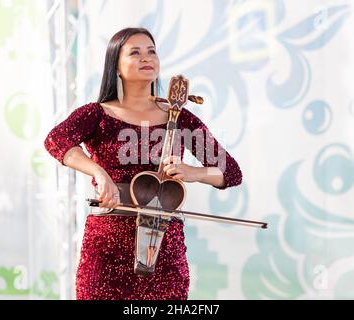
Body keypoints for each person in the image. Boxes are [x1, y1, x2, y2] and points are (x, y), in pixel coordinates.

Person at [44, 27, 243, 300]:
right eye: (135, 52)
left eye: (151, 51)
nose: (146, 58)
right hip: (106, 250)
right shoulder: (97, 114)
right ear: (116, 66)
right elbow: (57, 140)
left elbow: (230, 173)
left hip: (163, 250)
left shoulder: (180, 118)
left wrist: (193, 172)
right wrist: (98, 172)